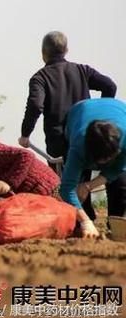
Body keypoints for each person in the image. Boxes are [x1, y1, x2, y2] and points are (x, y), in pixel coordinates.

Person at [17, 31, 118, 220]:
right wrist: (101, 119)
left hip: (60, 142)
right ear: (66, 50)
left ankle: (81, 225)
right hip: (87, 135)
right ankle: (89, 222)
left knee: (66, 186)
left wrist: (25, 133)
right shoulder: (82, 70)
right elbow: (110, 86)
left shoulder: (40, 78)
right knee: (82, 182)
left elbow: (36, 104)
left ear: (43, 53)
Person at [59, 98, 126, 238]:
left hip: (118, 109)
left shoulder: (124, 140)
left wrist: (89, 186)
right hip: (79, 111)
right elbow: (66, 188)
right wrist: (85, 221)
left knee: (121, 183)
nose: (104, 164)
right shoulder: (78, 146)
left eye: (109, 158)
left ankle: (115, 226)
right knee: (78, 187)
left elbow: (118, 169)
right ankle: (84, 224)